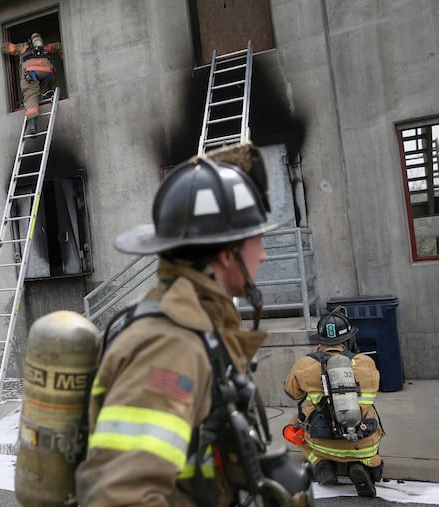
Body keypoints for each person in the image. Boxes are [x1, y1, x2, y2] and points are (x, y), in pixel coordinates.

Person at [75, 154, 312, 506]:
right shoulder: (172, 346)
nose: (262, 255)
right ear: (225, 253)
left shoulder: (197, 326)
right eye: (255, 240)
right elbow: (119, 496)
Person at [284, 309, 384, 497]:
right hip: (363, 440)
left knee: (294, 422)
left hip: (322, 440)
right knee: (370, 412)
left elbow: (292, 393)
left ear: (320, 341)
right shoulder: (366, 363)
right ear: (349, 339)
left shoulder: (305, 364)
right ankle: (364, 464)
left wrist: (311, 366)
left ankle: (321, 465)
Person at [1, 32, 62, 134]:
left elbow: (7, 48)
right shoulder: (46, 48)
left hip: (31, 74)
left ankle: (33, 124)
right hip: (48, 73)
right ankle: (47, 94)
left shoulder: (24, 47)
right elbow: (59, 46)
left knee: (31, 96)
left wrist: (5, 45)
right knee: (45, 87)